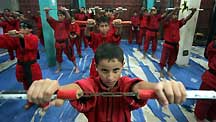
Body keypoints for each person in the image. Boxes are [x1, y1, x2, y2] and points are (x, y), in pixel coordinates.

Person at [27, 43, 187, 122]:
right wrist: (56, 90)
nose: (110, 77)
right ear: (96, 67)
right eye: (104, 70)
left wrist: (158, 87)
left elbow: (137, 86)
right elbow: (78, 88)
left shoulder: (125, 83)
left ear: (122, 67)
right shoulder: (92, 84)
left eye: (115, 70)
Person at [0, 20, 48, 110]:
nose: (21, 29)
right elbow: (7, 43)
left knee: (37, 85)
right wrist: (7, 35)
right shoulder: (17, 38)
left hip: (32, 66)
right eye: (21, 27)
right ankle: (30, 101)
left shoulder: (34, 38)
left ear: (30, 29)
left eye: (24, 28)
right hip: (21, 66)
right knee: (26, 85)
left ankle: (43, 102)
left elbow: (31, 45)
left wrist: (20, 36)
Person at [159, 8, 196, 78]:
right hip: (167, 45)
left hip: (175, 45)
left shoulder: (178, 23)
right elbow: (166, 18)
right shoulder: (166, 23)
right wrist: (174, 11)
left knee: (172, 59)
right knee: (163, 58)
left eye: (176, 15)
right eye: (173, 15)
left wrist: (192, 13)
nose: (175, 16)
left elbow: (186, 19)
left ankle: (168, 70)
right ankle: (161, 71)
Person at [45, 7, 79, 73]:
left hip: (65, 43)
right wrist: (47, 12)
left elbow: (69, 18)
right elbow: (49, 19)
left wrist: (65, 11)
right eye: (58, 15)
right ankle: (59, 68)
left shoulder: (66, 23)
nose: (59, 17)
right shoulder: (55, 23)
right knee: (58, 56)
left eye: (61, 15)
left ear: (64, 16)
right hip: (58, 43)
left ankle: (76, 67)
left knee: (70, 55)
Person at [194, 35, 216, 122]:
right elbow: (210, 50)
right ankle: (200, 118)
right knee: (203, 103)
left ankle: (211, 117)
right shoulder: (215, 45)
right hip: (212, 79)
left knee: (215, 107)